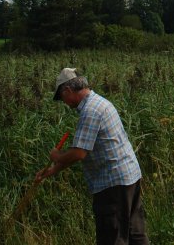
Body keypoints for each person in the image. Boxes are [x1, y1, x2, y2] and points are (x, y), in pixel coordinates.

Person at [37, 68, 148, 245]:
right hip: (128, 177)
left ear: (68, 90)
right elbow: (82, 150)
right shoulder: (100, 103)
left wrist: (56, 156)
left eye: (62, 97)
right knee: (135, 235)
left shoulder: (90, 111)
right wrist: (52, 171)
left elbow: (78, 153)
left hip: (112, 184)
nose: (64, 102)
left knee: (112, 238)